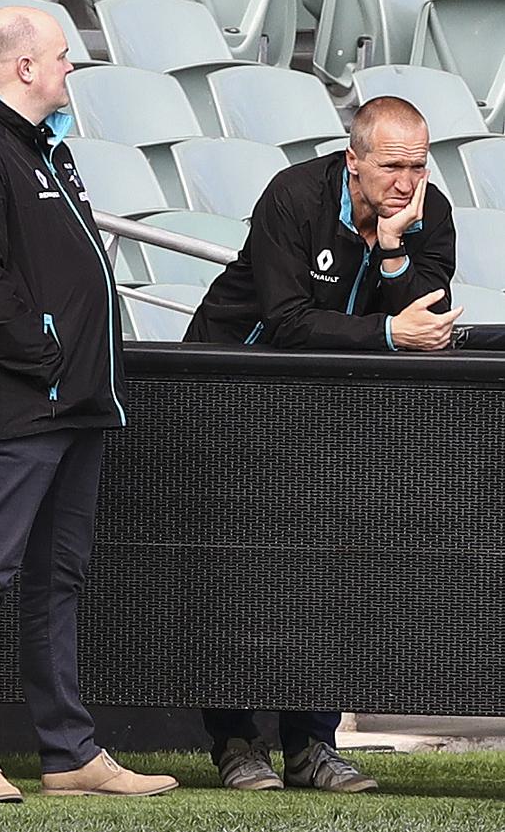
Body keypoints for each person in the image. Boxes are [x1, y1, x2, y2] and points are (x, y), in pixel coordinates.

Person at [0, 6, 178, 803]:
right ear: (25, 67)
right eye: (64, 58)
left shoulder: (42, 148)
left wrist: (75, 372)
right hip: (24, 406)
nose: (73, 69)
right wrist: (47, 361)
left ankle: (68, 752)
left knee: (57, 578)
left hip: (75, 404)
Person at [184, 97, 463, 793]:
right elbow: (285, 322)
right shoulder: (292, 197)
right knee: (239, 573)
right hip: (235, 395)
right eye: (392, 165)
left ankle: (312, 742)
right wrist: (388, 334)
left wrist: (395, 249)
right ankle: (236, 741)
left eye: (418, 166)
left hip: (333, 415)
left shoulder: (432, 214)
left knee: (328, 576)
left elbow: (424, 311)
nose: (406, 181)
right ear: (354, 161)